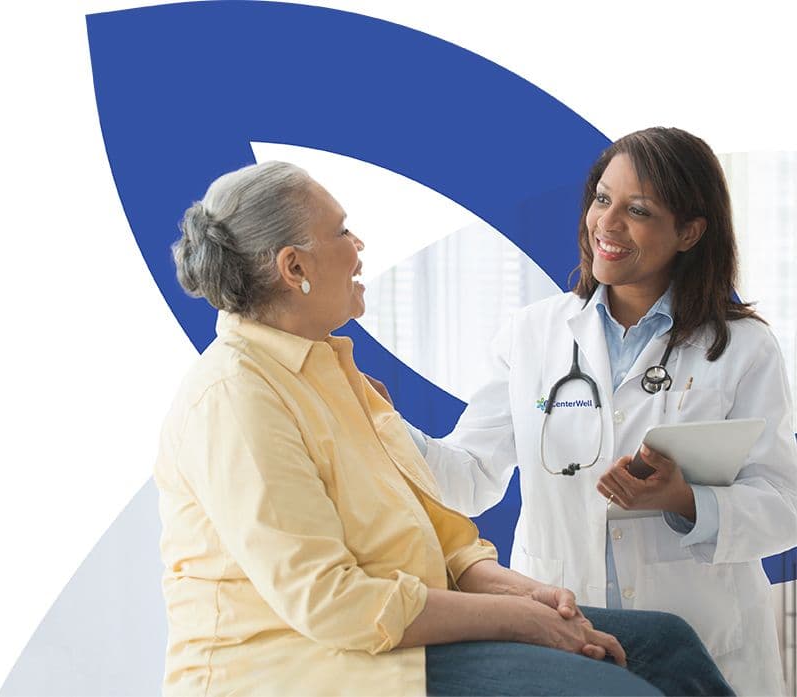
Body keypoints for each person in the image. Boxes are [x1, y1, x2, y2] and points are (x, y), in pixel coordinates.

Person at [154, 160, 733, 696]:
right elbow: (332, 604)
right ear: (294, 267)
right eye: (342, 232)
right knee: (610, 691)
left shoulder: (332, 371)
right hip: (302, 663)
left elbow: (444, 535)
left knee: (666, 645)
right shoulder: (235, 397)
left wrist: (529, 594)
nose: (358, 247)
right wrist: (521, 620)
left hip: (396, 632)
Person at [406, 127, 797, 696]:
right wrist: (378, 421)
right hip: (567, 632)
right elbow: (468, 479)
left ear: (689, 231)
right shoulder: (532, 334)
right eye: (601, 199)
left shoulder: (742, 348)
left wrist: (684, 500)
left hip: (703, 640)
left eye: (637, 210)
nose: (606, 224)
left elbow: (785, 504)